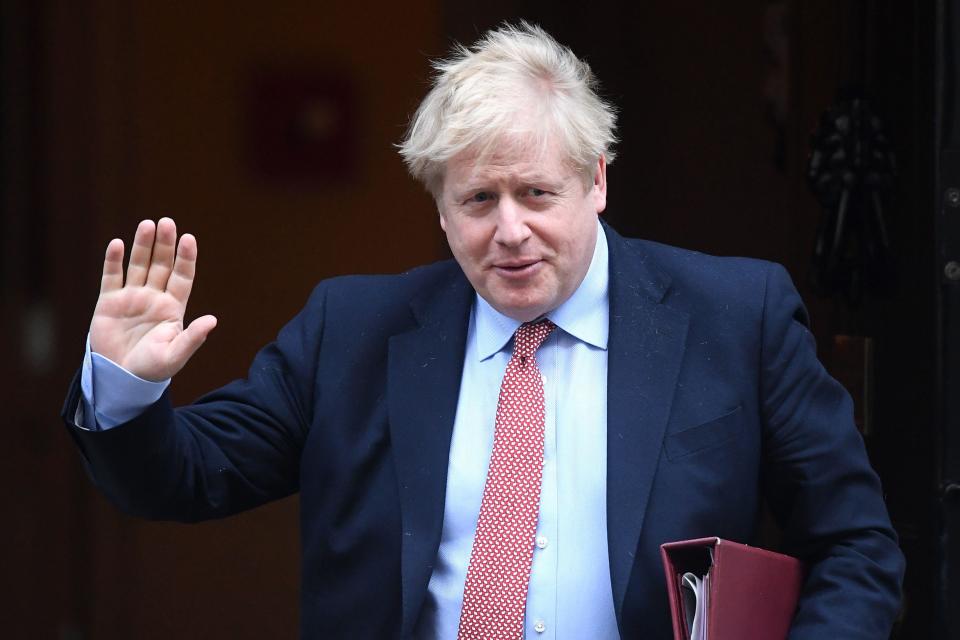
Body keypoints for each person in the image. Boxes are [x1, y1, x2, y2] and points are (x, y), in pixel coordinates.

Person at [63, 22, 904, 639]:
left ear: (597, 180)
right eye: (477, 200)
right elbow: (180, 480)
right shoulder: (350, 331)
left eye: (536, 194)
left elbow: (857, 547)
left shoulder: (735, 316)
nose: (509, 231)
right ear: (439, 207)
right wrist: (126, 387)